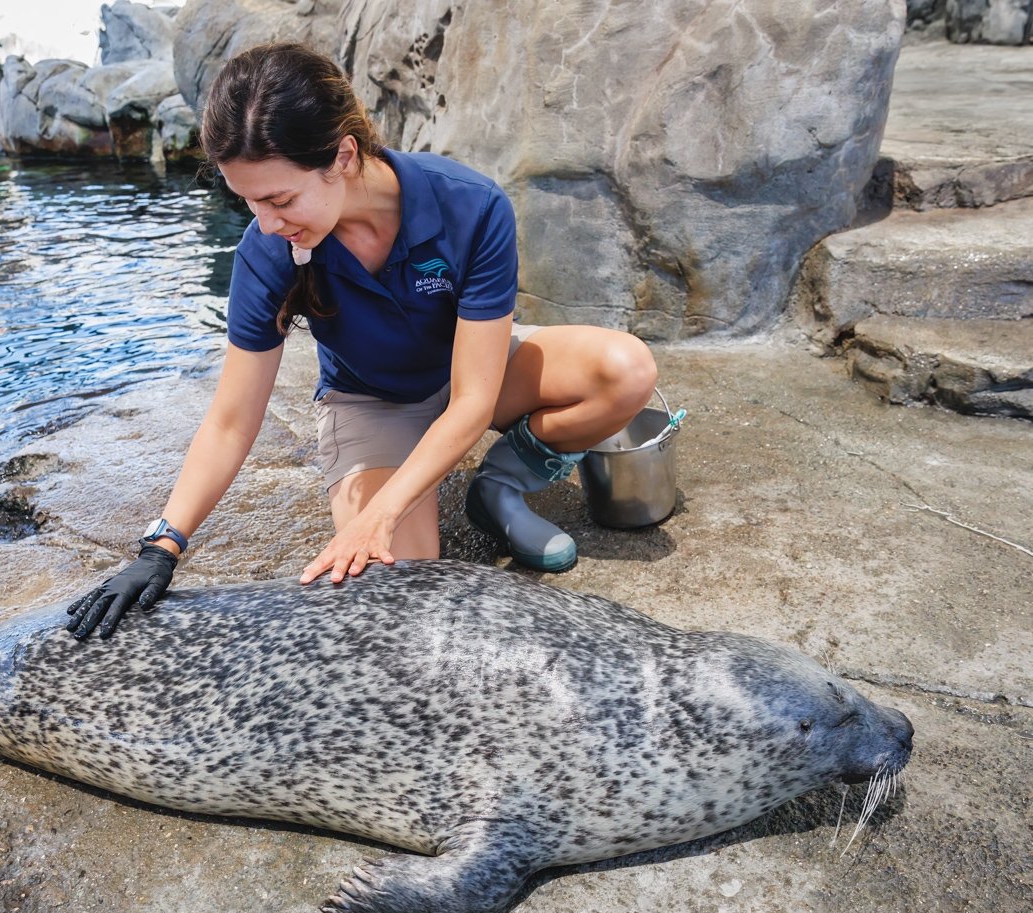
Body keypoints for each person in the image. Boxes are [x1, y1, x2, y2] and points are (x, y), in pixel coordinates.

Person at [65, 42, 657, 640]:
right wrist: (162, 545)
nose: (267, 223)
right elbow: (231, 422)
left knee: (626, 369)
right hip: (372, 403)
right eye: (248, 202)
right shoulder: (268, 250)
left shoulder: (471, 207)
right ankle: (428, 494)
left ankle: (500, 487)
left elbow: (473, 400)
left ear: (343, 155)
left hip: (467, 373)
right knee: (408, 596)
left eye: (280, 199)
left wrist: (379, 512)